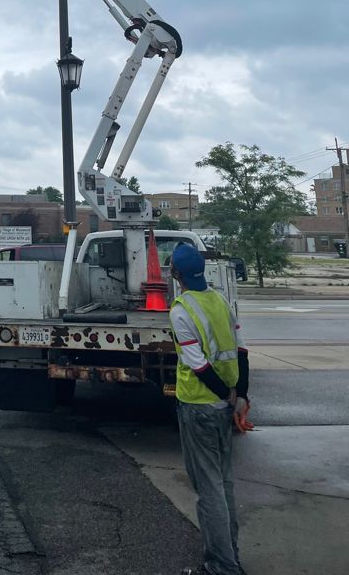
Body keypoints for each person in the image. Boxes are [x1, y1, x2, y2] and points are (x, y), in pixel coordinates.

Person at [169, 243, 250, 575]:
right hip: (222, 405)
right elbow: (241, 351)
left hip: (199, 406)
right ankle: (230, 553)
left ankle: (222, 566)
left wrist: (228, 397)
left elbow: (199, 366)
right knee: (224, 482)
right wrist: (240, 395)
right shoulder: (220, 301)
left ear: (176, 275)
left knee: (208, 488)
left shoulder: (181, 311)